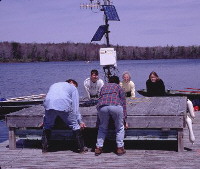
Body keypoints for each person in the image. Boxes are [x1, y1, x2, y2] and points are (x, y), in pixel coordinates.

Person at [42, 79, 87, 153]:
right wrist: (80, 121)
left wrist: (45, 119)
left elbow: (49, 99)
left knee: (47, 125)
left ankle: (44, 149)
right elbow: (75, 106)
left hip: (49, 104)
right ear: (72, 83)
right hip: (63, 104)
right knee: (75, 126)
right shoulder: (73, 88)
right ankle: (81, 148)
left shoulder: (54, 84)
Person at [95, 76, 128, 156]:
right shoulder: (118, 86)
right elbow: (123, 102)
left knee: (102, 127)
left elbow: (99, 99)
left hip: (102, 106)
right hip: (115, 105)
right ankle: (120, 148)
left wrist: (98, 121)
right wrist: (125, 119)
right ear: (117, 81)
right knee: (120, 127)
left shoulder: (103, 87)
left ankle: (98, 147)